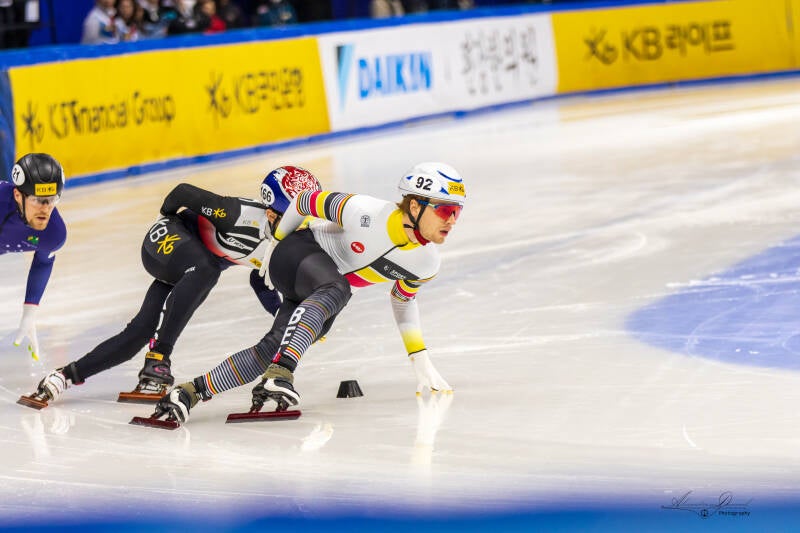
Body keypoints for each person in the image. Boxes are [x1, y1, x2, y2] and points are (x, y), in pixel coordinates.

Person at [154, 162, 465, 424]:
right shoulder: (363, 211)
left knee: (269, 350)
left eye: (457, 212)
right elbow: (305, 199)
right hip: (298, 253)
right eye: (446, 210)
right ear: (415, 205)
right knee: (338, 289)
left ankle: (189, 392)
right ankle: (283, 371)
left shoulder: (426, 263)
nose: (452, 220)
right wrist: (276, 239)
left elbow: (403, 298)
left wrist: (419, 356)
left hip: (317, 291)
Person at [26, 166, 321, 406]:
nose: (302, 226)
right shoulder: (238, 214)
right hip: (170, 238)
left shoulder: (279, 242)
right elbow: (183, 192)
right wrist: (162, 219)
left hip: (192, 265)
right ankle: (159, 358)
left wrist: (292, 320)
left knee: (139, 332)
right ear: (271, 214)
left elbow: (261, 281)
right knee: (207, 270)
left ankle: (64, 376)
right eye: (297, 218)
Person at [0, 153, 66, 361]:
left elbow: (43, 262)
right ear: (18, 195)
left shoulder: (54, 233)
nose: (45, 209)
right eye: (38, 200)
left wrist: (30, 312)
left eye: (52, 199)